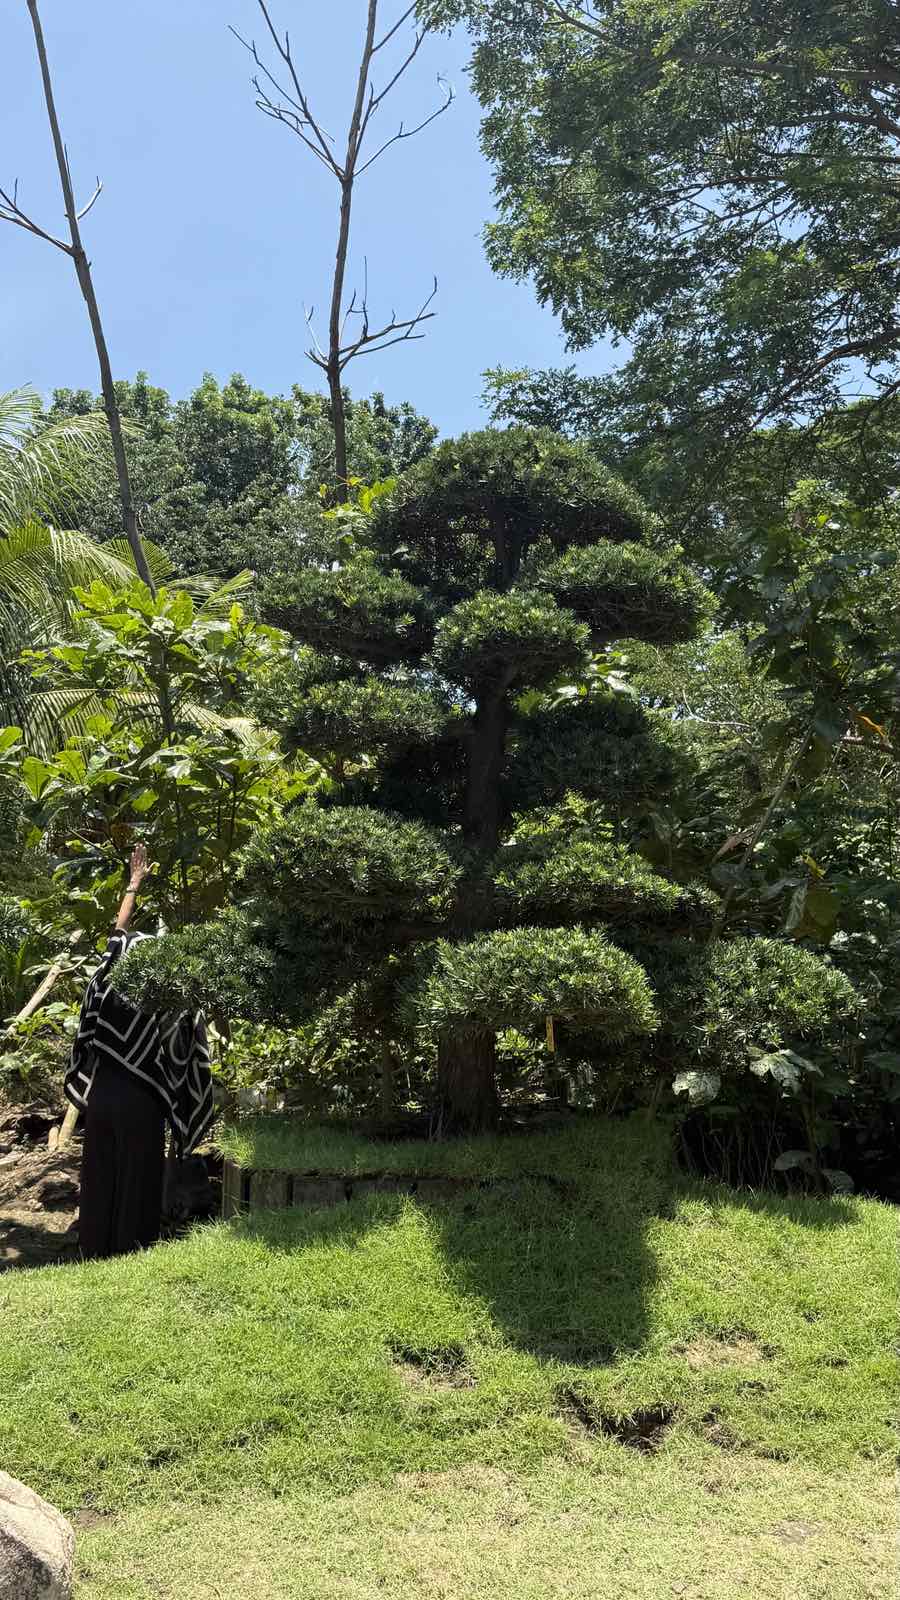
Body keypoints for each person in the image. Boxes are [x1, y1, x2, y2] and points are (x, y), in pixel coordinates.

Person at [65, 844, 214, 1260]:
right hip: (143, 1101)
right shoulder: (166, 999)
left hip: (102, 1095)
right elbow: (187, 1053)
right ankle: (130, 1252)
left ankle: (94, 1249)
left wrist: (133, 884)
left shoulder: (105, 981)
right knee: (138, 1179)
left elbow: (117, 934)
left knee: (99, 1176)